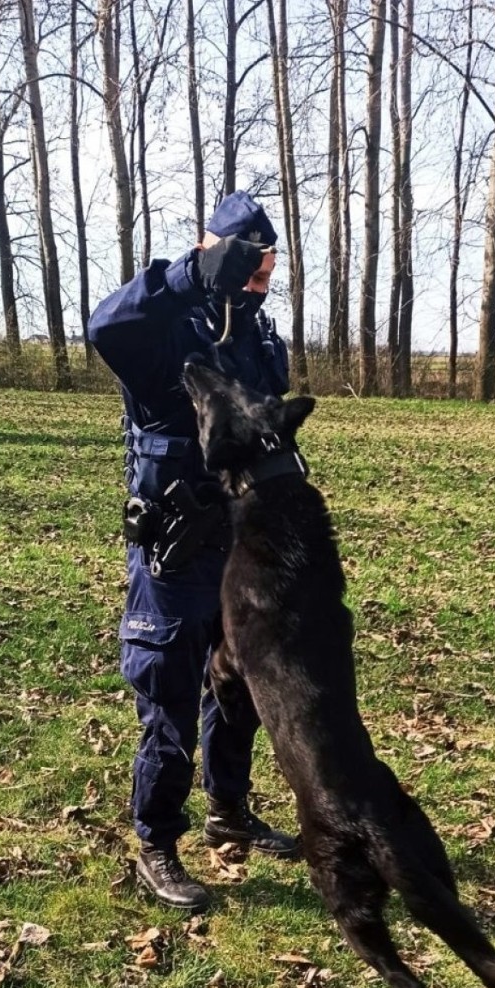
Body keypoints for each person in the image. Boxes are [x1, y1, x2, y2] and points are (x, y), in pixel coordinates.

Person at [88, 191, 299, 912]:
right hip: (174, 554)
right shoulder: (165, 328)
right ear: (215, 250)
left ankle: (229, 810)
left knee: (236, 686)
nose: (260, 270)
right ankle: (157, 841)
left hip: (240, 542)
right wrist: (188, 275)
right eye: (245, 257)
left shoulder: (257, 334)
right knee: (171, 697)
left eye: (266, 260)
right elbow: (104, 326)